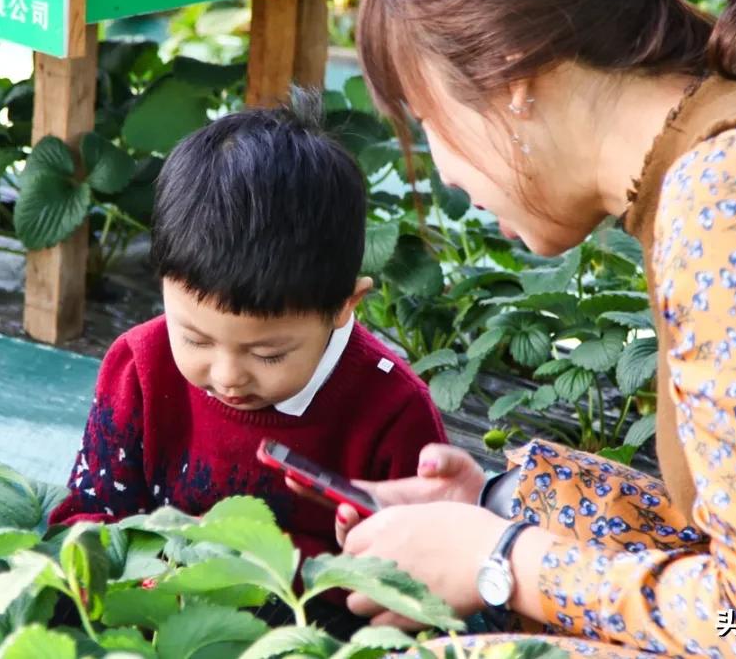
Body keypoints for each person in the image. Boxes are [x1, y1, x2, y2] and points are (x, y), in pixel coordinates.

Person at [313, 0, 736, 655]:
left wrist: (501, 560)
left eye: (426, 117)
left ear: (512, 72)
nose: (446, 174)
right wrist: (493, 507)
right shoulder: (733, 156)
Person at [49, 92, 448, 604]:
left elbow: (415, 579)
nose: (227, 375)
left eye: (269, 354)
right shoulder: (140, 367)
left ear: (345, 305)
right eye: (194, 338)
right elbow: (88, 514)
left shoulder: (393, 413)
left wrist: (255, 567)